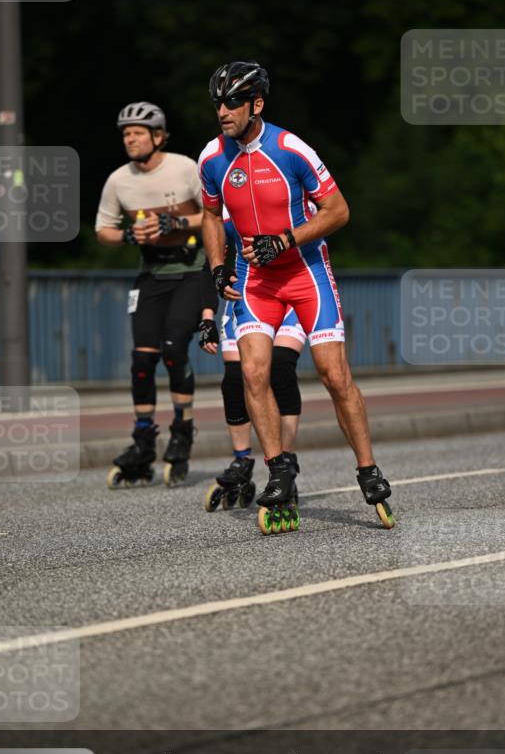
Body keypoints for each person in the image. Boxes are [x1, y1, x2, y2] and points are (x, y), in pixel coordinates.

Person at [198, 62, 394, 529]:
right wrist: (217, 266)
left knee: (333, 373)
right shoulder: (211, 157)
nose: (223, 111)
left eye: (232, 103)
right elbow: (209, 216)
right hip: (253, 278)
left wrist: (286, 239)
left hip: (304, 272)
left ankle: (367, 469)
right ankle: (279, 472)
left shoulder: (290, 148)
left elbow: (338, 211)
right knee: (253, 371)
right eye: (218, 103)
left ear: (256, 104)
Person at [96, 101, 218, 487]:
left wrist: (177, 220)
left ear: (159, 136)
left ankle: (182, 432)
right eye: (125, 134)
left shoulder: (184, 167)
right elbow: (103, 231)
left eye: (137, 133)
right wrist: (130, 234)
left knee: (173, 350)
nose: (129, 139)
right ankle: (143, 440)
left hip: (190, 271)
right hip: (150, 275)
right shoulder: (119, 180)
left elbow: (217, 215)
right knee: (141, 360)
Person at [200, 214, 306, 511]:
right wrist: (207, 317)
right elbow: (209, 264)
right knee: (235, 378)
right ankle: (242, 460)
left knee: (282, 366)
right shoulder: (224, 200)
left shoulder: (286, 187)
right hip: (246, 297)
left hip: (291, 293)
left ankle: (285, 460)